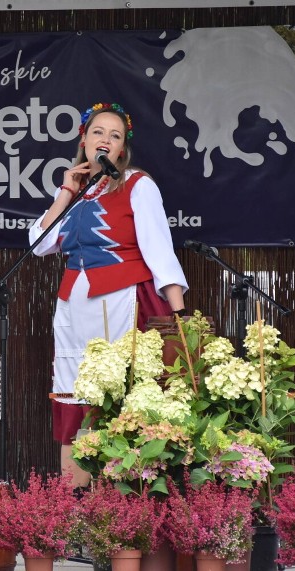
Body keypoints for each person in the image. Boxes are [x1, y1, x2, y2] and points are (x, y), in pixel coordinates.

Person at [29, 102, 188, 487]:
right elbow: (38, 244)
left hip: (120, 304)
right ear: (83, 139)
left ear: (122, 150)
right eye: (98, 132)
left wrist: (179, 318)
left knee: (120, 403)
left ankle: (122, 504)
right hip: (73, 309)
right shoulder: (75, 192)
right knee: (74, 405)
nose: (105, 140)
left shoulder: (138, 185)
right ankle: (75, 510)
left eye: (115, 136)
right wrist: (66, 191)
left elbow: (160, 252)